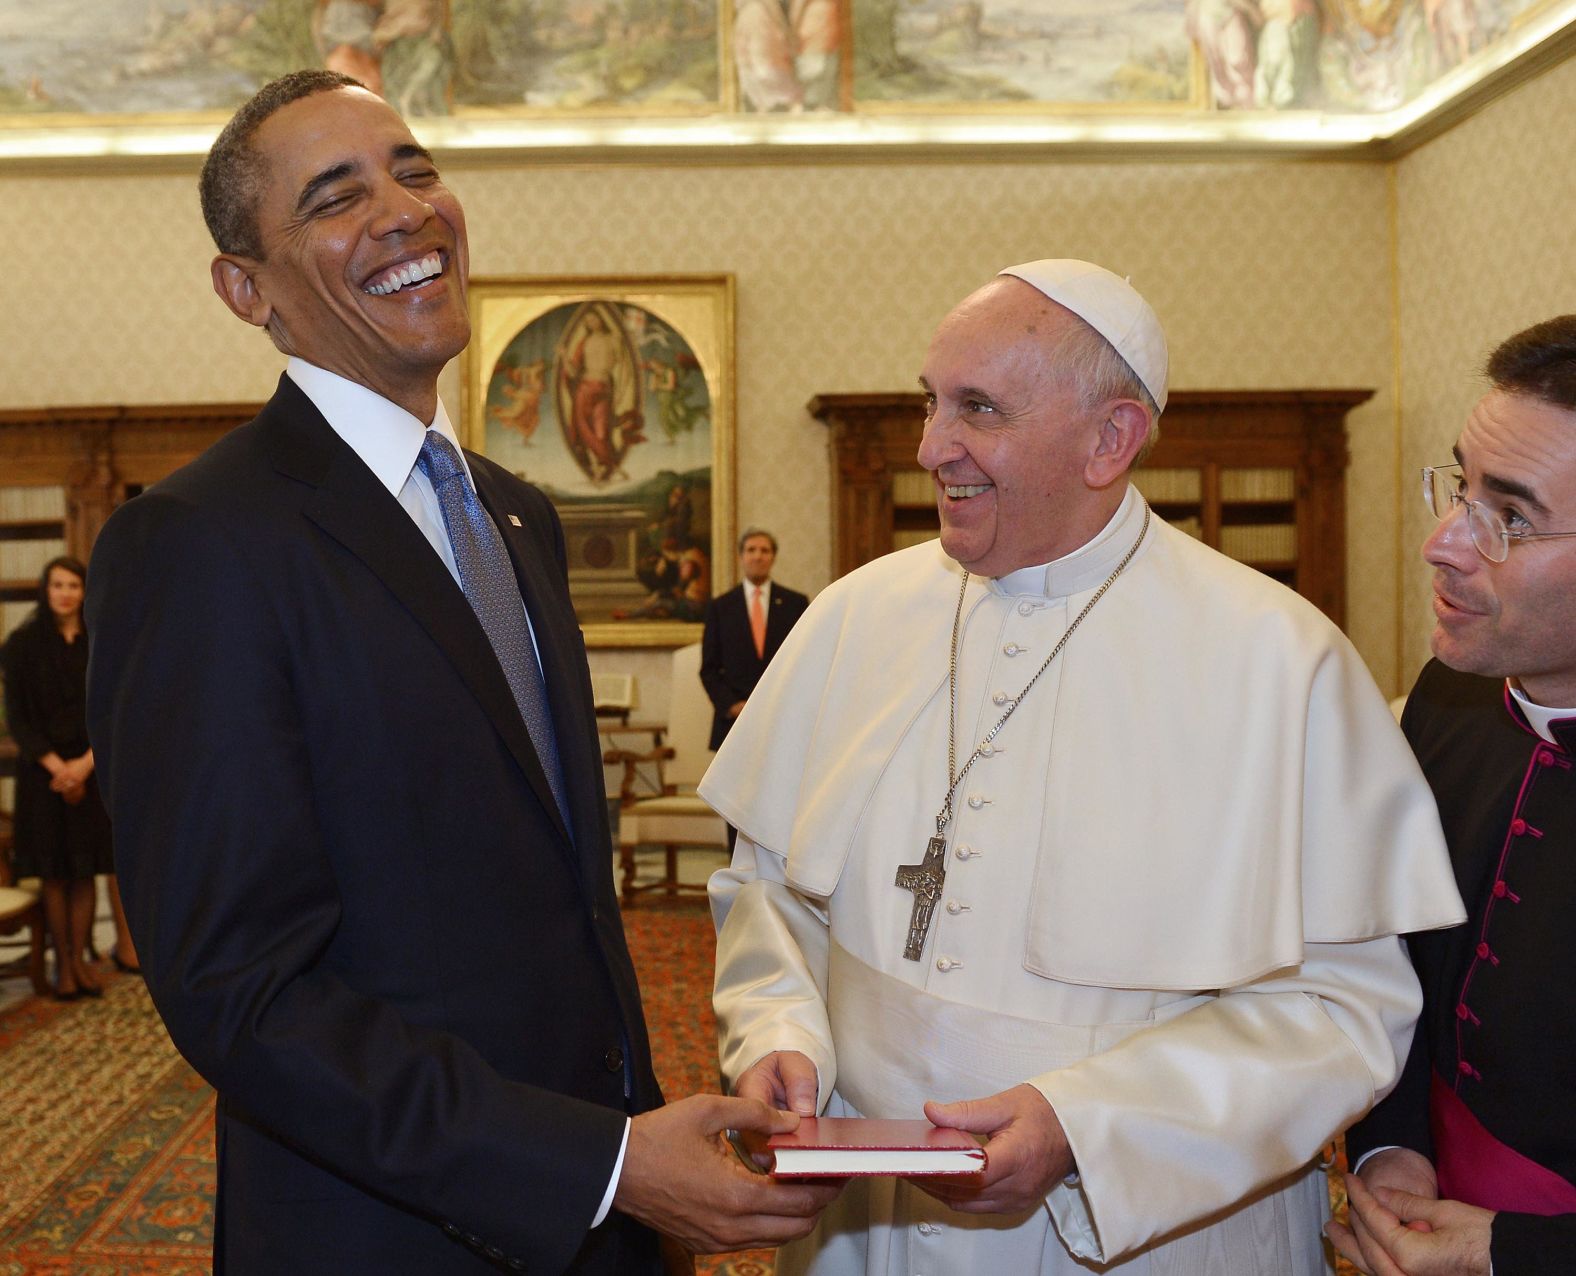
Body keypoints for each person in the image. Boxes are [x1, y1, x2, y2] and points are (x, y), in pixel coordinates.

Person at [84, 70, 834, 1275]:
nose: (403, 210)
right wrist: (594, 1168)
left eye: (415, 169)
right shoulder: (199, 544)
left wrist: (629, 1175)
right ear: (247, 288)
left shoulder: (516, 515)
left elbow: (563, 905)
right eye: (336, 196)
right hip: (382, 1234)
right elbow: (245, 988)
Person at [702, 258, 1468, 1274]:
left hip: (1145, 1234)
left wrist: (1084, 1127)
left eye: (978, 408)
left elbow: (1342, 1010)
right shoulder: (853, 618)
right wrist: (776, 1035)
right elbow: (766, 893)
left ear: (1111, 438)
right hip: (866, 1230)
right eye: (929, 401)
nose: (932, 446)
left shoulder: (1278, 661)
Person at [1333, 315, 1576, 1275]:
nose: (1443, 543)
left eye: (1507, 518)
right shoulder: (1451, 693)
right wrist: (1395, 1150)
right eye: (1459, 486)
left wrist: (1515, 1253)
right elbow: (1394, 954)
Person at [1, 556, 138, 999]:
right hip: (42, 777)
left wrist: (85, 764)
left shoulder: (98, 643)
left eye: (73, 586)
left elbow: (112, 710)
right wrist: (59, 767)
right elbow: (18, 719)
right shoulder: (21, 644)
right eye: (57, 585)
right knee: (55, 875)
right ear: (45, 590)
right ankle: (62, 966)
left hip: (90, 771)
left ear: (84, 592)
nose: (65, 593)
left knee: (85, 873)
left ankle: (80, 961)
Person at [700, 528, 809, 752]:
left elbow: (805, 661)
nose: (758, 556)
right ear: (741, 557)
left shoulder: (795, 604)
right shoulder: (721, 607)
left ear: (773, 557)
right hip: (734, 721)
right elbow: (709, 669)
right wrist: (732, 705)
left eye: (764, 550)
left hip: (783, 717)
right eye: (751, 550)